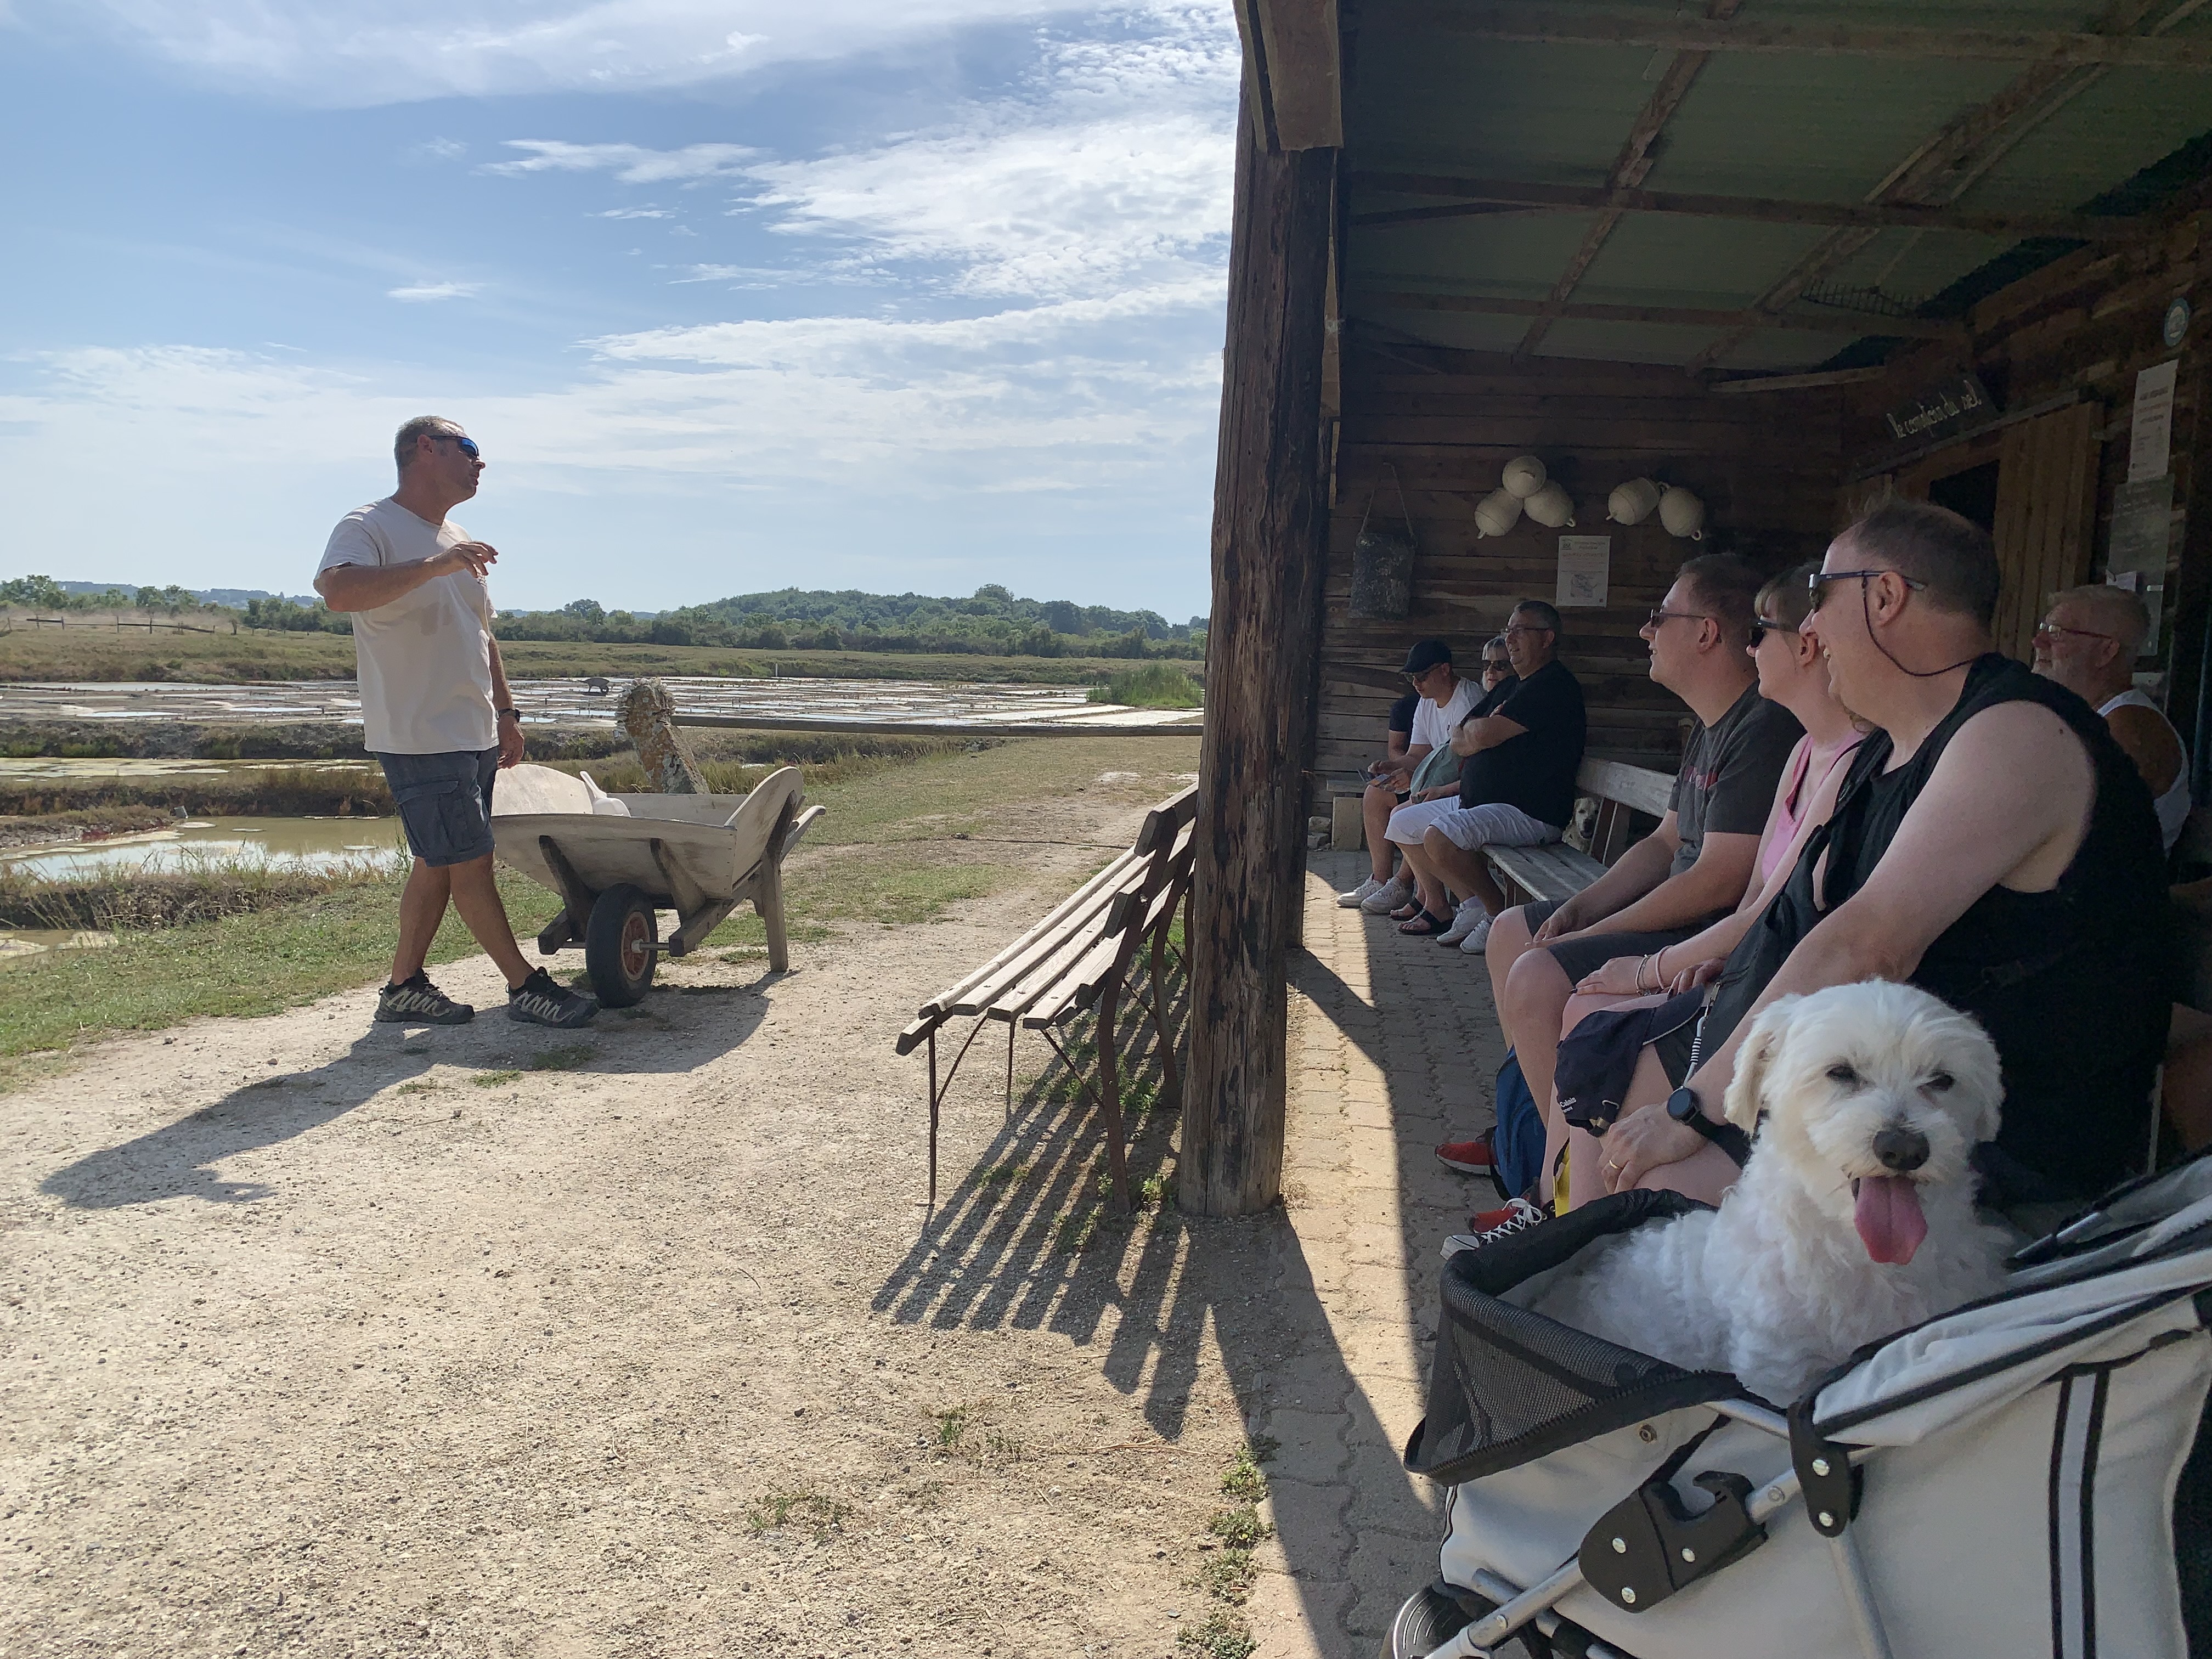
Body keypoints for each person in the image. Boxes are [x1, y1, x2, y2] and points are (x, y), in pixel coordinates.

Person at [1587, 501, 2169, 1219]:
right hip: (1866, 1096)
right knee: (1609, 1105)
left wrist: (1695, 1107)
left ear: (1885, 596)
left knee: (1654, 1195)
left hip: (1980, 1143)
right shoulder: (1889, 748)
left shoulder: (2017, 734)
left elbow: (1869, 942)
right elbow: (1796, 914)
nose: (1810, 629)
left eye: (1821, 597)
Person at [1530, 563, 1865, 1207]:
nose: (1750, 649)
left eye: (1760, 634)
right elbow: (1756, 901)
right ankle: (1551, 1205)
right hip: (1744, 972)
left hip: (1787, 1004)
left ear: (1807, 646)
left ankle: (1572, 1222)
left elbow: (1761, 910)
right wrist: (1701, 960)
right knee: (1585, 1016)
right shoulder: (1804, 752)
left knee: (1596, 1038)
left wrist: (1646, 968)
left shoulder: (1835, 755)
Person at [1482, 556, 1801, 1132]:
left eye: (1660, 616)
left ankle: (1560, 1164)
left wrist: (1596, 931)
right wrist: (1583, 907)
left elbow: (1720, 880)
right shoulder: (1711, 724)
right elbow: (1663, 843)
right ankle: (1526, 1132)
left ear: (1706, 633)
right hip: (1679, 920)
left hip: (1706, 939)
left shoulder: (1764, 727)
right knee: (1510, 931)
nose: (1645, 630)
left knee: (1536, 976)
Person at [316, 416, 598, 1030]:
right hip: (421, 734)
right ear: (425, 449)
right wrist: (434, 565)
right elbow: (338, 592)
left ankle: (403, 987)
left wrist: (507, 713)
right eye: (469, 449)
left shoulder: (457, 536)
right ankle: (526, 986)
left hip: (473, 732)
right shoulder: (369, 525)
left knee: (439, 861)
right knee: (470, 863)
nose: (480, 462)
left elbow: (481, 634)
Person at [1388, 601, 1584, 946]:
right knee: (1402, 823)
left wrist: (1478, 734)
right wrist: (1477, 733)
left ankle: (1496, 913)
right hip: (1482, 801)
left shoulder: (1552, 686)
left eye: (1520, 630)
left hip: (1529, 811)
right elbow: (1459, 737)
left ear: (1547, 638)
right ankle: (1472, 904)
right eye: (1508, 630)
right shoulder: (1511, 686)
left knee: (1439, 836)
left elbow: (1476, 736)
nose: (1510, 638)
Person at [2032, 583, 2190, 852]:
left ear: (2106, 652)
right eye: (2044, 629)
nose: (2038, 642)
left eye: (2057, 633)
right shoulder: (2089, 716)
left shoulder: (2128, 727)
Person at [1338, 641, 1481, 913]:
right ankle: (1381, 880)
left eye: (1422, 676)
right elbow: (1417, 754)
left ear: (1445, 670)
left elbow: (1466, 766)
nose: (1416, 684)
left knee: (1405, 814)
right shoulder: (1426, 703)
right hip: (1433, 783)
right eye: (1411, 677)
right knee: (1375, 793)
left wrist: (1415, 777)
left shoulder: (1468, 701)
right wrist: (1391, 766)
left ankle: (1416, 892)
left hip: (1459, 788)